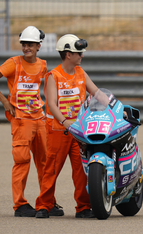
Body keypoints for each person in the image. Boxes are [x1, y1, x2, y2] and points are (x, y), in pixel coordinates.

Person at [35, 34, 109, 218]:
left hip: (80, 132)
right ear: (68, 54)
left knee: (82, 171)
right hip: (58, 130)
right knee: (51, 169)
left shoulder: (81, 73)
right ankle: (44, 206)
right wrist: (64, 121)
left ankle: (83, 208)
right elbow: (51, 104)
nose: (82, 56)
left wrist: (113, 104)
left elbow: (97, 92)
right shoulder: (53, 75)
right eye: (78, 53)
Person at [0, 26, 63, 217]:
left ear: (38, 46)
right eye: (24, 44)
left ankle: (47, 202)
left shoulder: (42, 65)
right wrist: (5, 102)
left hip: (39, 119)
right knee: (22, 161)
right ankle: (20, 205)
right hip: (21, 121)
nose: (26, 47)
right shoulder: (13, 63)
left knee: (45, 162)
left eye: (30, 44)